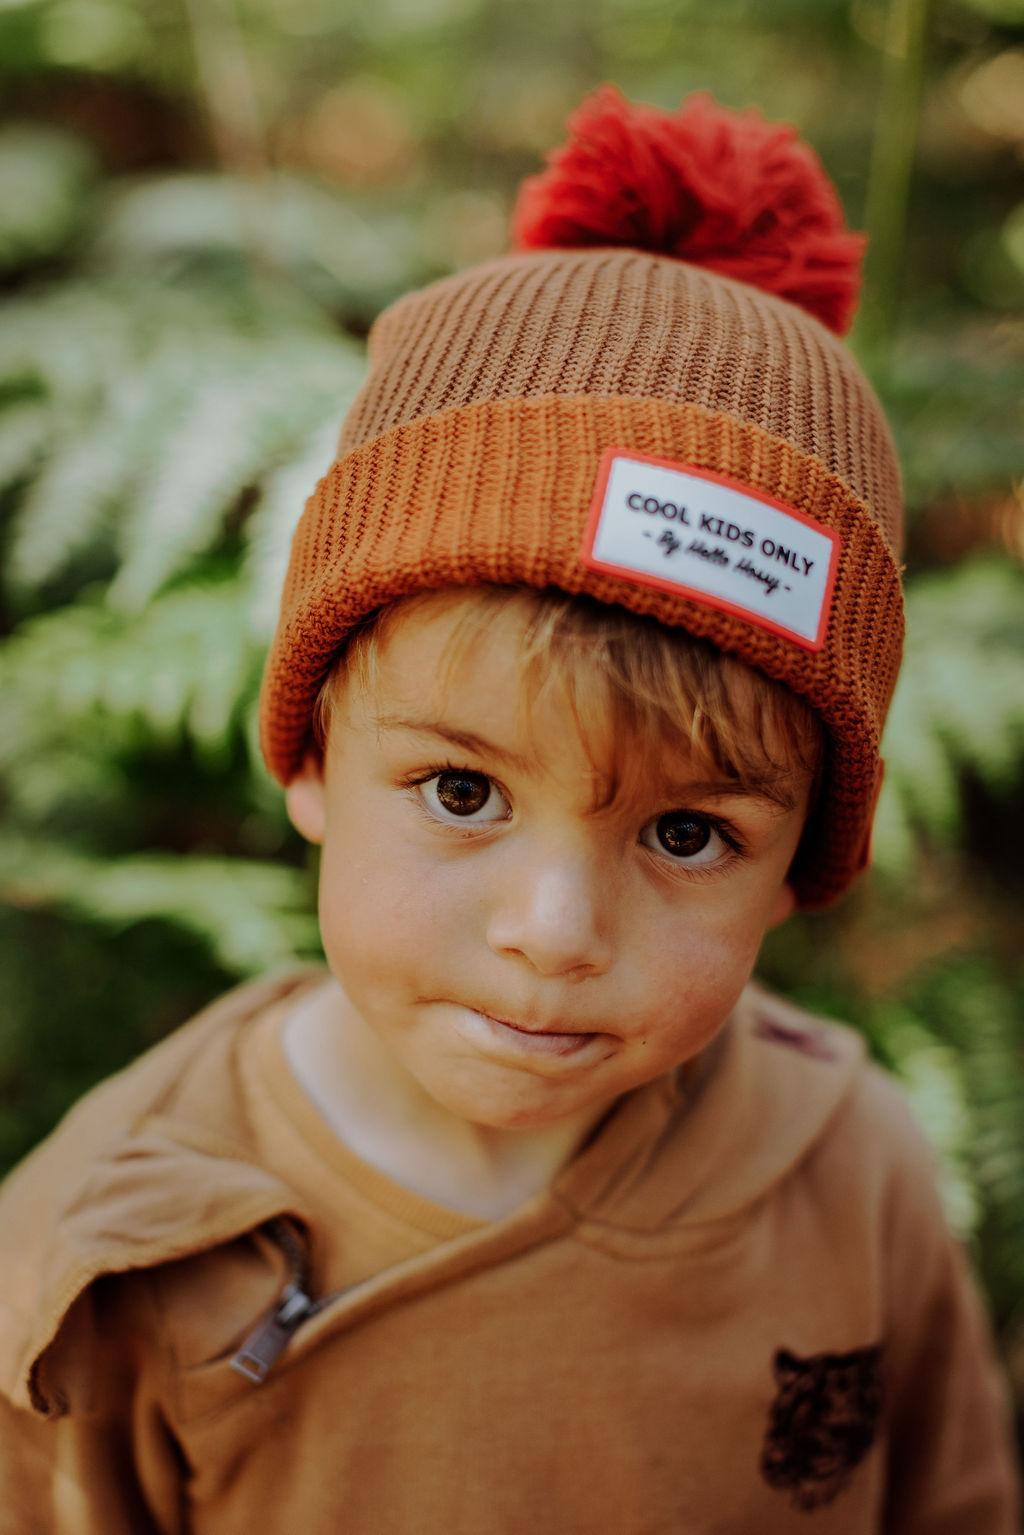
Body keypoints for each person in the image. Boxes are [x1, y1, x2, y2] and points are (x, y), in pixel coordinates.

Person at [0, 85, 1018, 1534]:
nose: (555, 932)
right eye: (462, 791)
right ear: (309, 761)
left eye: (688, 834)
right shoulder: (108, 1253)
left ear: (806, 864)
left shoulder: (854, 1169)